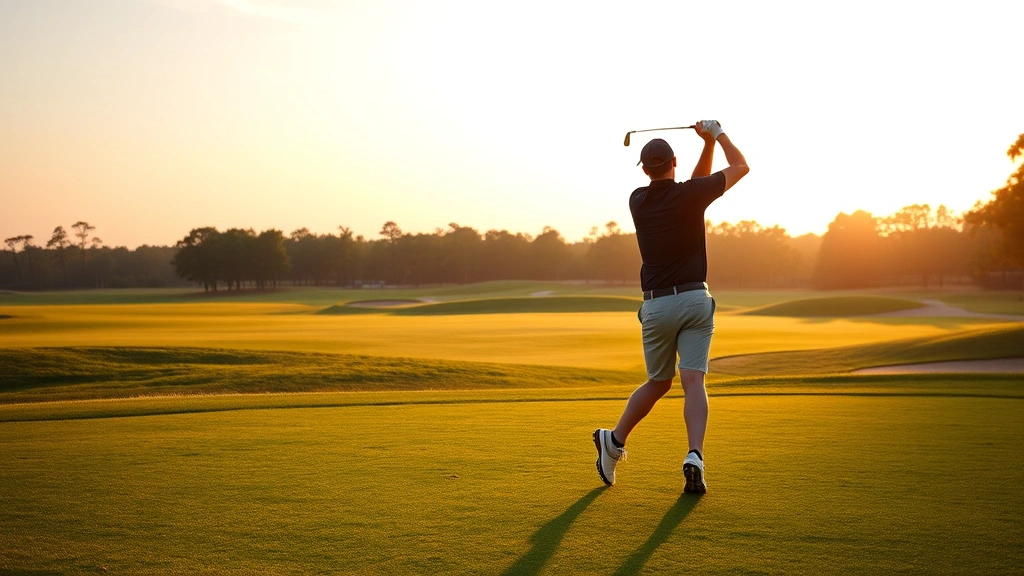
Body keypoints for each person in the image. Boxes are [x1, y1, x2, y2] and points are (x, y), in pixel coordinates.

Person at [594, 120, 749, 493]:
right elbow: (741, 166)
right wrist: (718, 134)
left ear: (645, 170)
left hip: (658, 305)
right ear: (674, 162)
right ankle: (694, 453)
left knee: (659, 381)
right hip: (696, 300)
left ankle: (613, 442)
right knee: (693, 380)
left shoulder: (637, 199)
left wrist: (709, 145)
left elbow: (692, 187)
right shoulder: (690, 196)